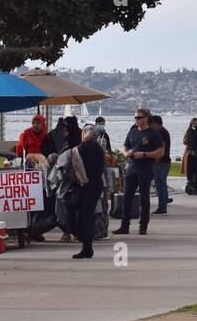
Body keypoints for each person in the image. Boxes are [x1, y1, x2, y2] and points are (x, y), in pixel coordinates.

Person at [115, 107, 164, 235]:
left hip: (145, 169)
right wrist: (127, 153)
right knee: (127, 197)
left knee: (144, 198)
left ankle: (143, 226)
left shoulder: (153, 133)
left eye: (139, 117)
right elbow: (125, 149)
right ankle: (124, 226)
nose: (137, 120)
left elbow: (160, 151)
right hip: (131, 168)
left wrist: (144, 154)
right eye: (135, 117)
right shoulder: (132, 132)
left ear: (146, 118)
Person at [69, 125, 107, 259]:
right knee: (89, 215)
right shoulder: (99, 149)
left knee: (84, 217)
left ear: (85, 135)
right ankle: (87, 247)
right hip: (96, 185)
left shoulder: (81, 148)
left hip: (84, 186)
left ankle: (87, 247)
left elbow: (72, 166)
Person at [149, 114, 173, 214]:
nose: (150, 126)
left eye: (151, 124)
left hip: (161, 162)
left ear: (155, 123)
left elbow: (161, 148)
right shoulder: (162, 131)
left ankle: (162, 207)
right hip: (164, 162)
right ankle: (163, 205)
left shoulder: (161, 133)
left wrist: (155, 161)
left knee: (160, 185)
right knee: (161, 184)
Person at [183, 117, 197, 192]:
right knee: (190, 169)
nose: (195, 125)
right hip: (190, 153)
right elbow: (185, 141)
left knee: (196, 170)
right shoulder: (189, 131)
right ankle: (190, 184)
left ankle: (194, 185)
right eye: (194, 124)